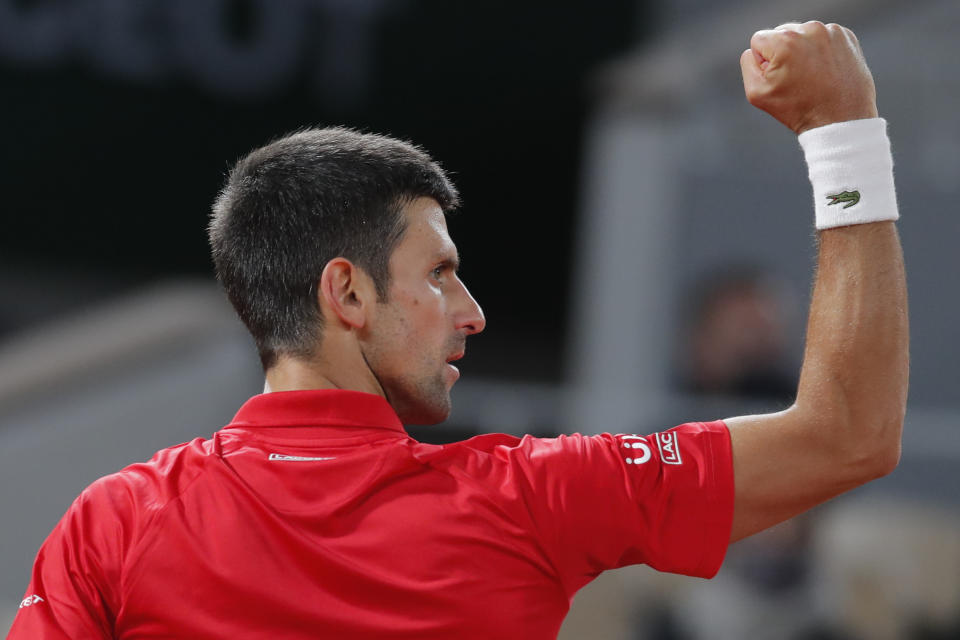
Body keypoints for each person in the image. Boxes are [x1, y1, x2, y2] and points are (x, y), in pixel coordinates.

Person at [8, 21, 908, 639]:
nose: (473, 310)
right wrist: (843, 132)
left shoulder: (114, 523)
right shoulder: (527, 500)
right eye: (439, 274)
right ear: (347, 295)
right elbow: (848, 436)